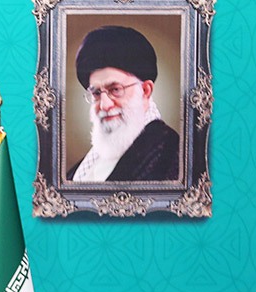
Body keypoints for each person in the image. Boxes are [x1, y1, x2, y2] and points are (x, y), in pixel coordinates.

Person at [68, 25, 180, 182]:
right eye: (97, 93)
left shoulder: (170, 154)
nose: (104, 105)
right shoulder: (88, 162)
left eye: (115, 89)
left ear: (145, 90)